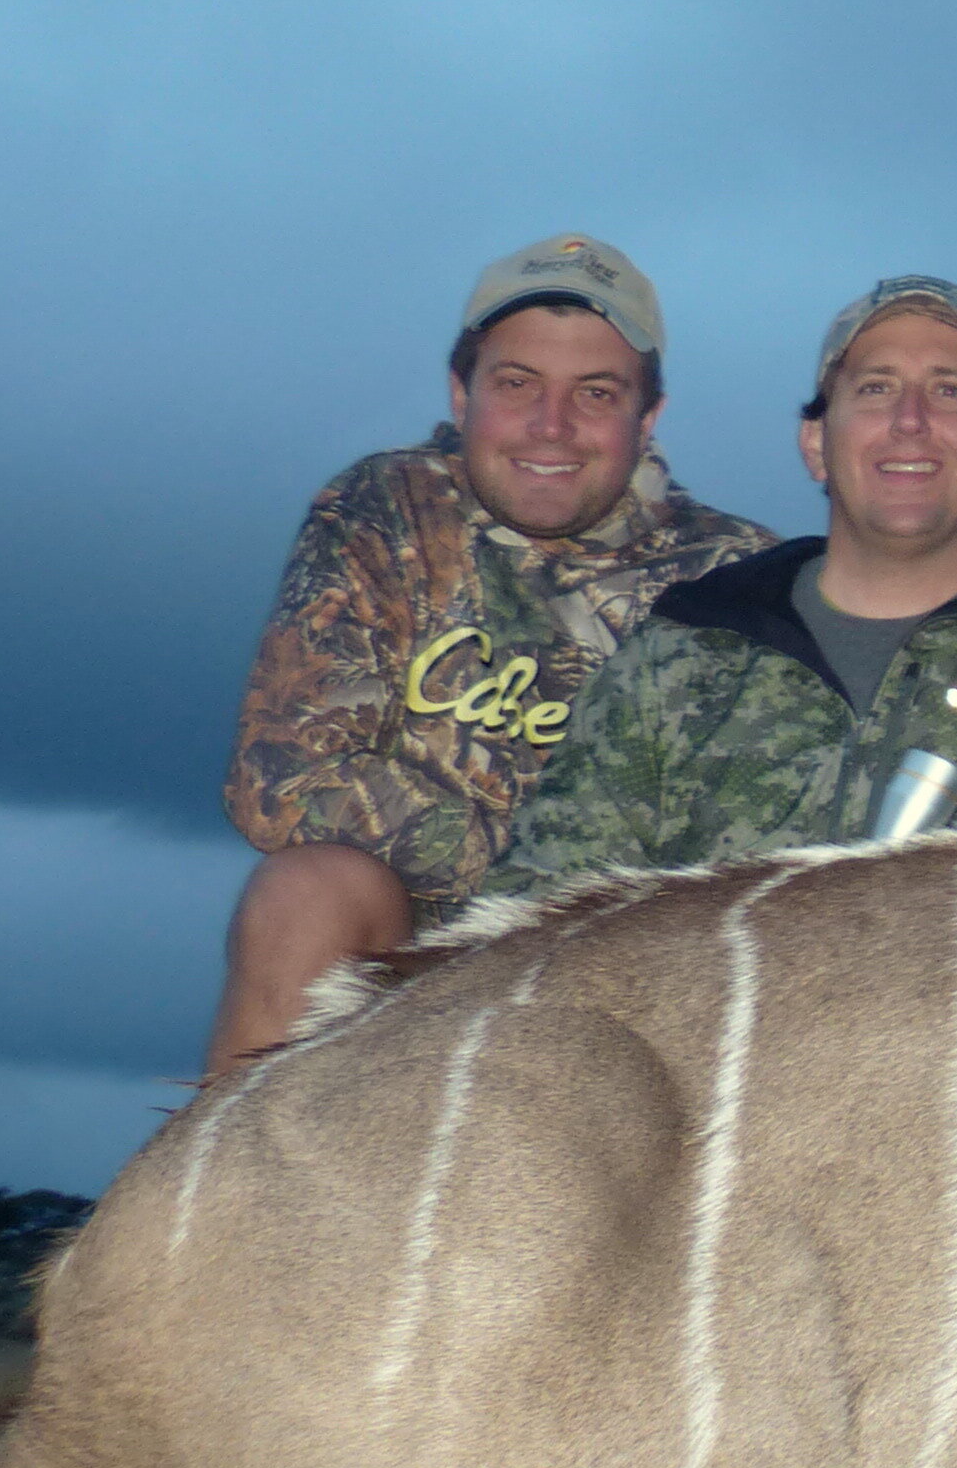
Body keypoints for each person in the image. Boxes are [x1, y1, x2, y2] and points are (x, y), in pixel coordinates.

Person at [203, 235, 776, 1073]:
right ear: (460, 391)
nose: (553, 426)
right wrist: (533, 876)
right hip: (410, 956)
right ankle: (232, 1200)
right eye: (517, 385)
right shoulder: (384, 512)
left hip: (629, 978)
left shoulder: (741, 575)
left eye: (596, 393)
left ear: (646, 418)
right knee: (305, 893)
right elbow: (282, 781)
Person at [494, 274, 957, 888]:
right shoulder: (680, 656)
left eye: (949, 391)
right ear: (816, 443)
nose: (910, 421)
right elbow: (544, 906)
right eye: (875, 388)